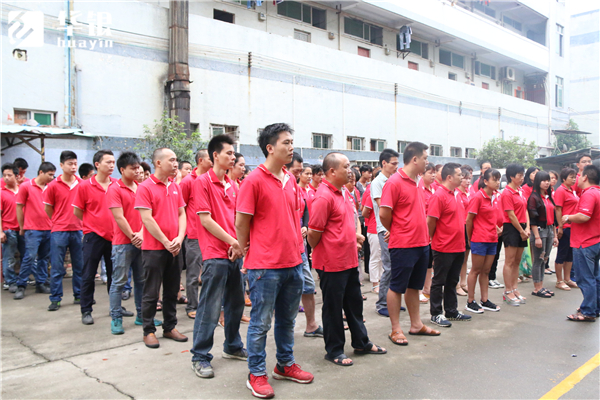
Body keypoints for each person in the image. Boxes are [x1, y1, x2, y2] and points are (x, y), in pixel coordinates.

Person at [236, 123, 313, 399]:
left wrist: (299, 253)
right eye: (286, 142)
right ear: (270, 148)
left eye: (292, 142)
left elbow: (294, 217)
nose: (291, 147)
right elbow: (242, 221)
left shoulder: (291, 180)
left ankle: (285, 364)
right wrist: (244, 250)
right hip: (264, 266)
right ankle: (256, 373)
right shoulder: (254, 180)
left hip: (293, 262)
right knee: (260, 323)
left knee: (287, 320)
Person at [308, 152, 386, 367]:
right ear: (332, 171)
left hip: (350, 259)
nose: (350, 170)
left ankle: (361, 342)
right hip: (332, 263)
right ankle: (334, 350)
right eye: (346, 166)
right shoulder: (323, 196)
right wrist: (327, 249)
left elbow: (345, 223)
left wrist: (354, 236)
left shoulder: (343, 192)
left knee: (354, 305)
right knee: (333, 309)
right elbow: (314, 234)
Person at [191, 135, 247, 379]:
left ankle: (232, 346)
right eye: (228, 153)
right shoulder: (202, 183)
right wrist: (232, 241)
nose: (233, 157)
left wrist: (239, 244)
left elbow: (238, 220)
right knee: (210, 307)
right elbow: (205, 220)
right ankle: (200, 356)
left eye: (234, 154)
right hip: (215, 254)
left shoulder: (233, 185)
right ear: (215, 155)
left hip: (235, 253)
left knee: (235, 303)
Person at [380, 142, 441, 345]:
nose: (427, 162)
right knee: (397, 286)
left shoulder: (418, 181)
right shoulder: (394, 182)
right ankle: (395, 329)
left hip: (422, 243)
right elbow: (384, 213)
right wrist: (397, 230)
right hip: (403, 244)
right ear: (414, 159)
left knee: (414, 287)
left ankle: (416, 324)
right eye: (425, 158)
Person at [135, 148, 188, 348]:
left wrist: (179, 238)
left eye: (176, 160)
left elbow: (182, 214)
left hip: (175, 247)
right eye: (172, 160)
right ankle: (148, 330)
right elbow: (147, 219)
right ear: (158, 163)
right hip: (154, 249)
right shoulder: (145, 187)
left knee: (172, 289)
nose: (176, 164)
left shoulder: (175, 187)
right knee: (151, 290)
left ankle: (170, 326)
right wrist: (166, 242)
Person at [107, 151, 157, 335]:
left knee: (141, 281)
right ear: (122, 169)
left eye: (138, 168)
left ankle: (142, 316)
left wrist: (142, 234)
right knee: (119, 281)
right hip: (122, 242)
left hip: (142, 241)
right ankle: (116, 318)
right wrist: (133, 236)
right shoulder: (114, 189)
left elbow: (148, 215)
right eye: (133, 168)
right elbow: (119, 217)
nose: (137, 171)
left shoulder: (141, 187)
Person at [73, 150, 117, 324]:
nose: (112, 166)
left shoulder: (116, 184)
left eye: (113, 162)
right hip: (93, 236)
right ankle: (86, 310)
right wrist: (92, 223)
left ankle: (115, 308)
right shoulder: (85, 185)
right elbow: (77, 211)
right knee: (88, 274)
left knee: (115, 275)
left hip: (114, 236)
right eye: (108, 162)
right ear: (97, 164)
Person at [427, 163, 472, 327]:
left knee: (453, 281)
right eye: (459, 175)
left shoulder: (457, 195)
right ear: (449, 177)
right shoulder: (439, 196)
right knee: (439, 281)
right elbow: (431, 221)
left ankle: (451, 311)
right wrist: (434, 239)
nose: (462, 177)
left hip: (459, 246)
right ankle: (436, 313)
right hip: (443, 246)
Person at [285, 152, 322, 338]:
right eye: (296, 171)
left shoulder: (298, 190)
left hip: (300, 246)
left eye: (301, 171)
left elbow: (305, 210)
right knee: (287, 290)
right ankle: (285, 333)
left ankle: (311, 325)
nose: (299, 175)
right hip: (285, 249)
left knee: (308, 285)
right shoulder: (281, 188)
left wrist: (305, 226)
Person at [44, 151, 84, 311]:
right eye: (70, 164)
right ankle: (55, 298)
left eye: (75, 163)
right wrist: (57, 220)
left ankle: (79, 295)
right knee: (57, 266)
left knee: (79, 266)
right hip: (59, 231)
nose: (73, 167)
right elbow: (48, 208)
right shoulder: (53, 185)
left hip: (78, 230)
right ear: (61, 165)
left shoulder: (81, 184)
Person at [14, 162, 56, 300]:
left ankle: (41, 283)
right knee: (29, 257)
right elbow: (19, 207)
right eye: (49, 174)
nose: (52, 177)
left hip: (49, 228)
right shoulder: (26, 186)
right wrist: (22, 227)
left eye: (53, 174)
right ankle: (21, 285)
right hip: (33, 229)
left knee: (44, 258)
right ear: (41, 173)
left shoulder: (51, 187)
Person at [563, 165, 600, 321]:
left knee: (585, 278)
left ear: (585, 177)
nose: (577, 178)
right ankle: (594, 306)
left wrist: (568, 217)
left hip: (585, 242)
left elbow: (584, 216)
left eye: (579, 175)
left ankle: (588, 311)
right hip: (594, 240)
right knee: (594, 277)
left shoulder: (589, 194)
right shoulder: (597, 192)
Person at [180, 149, 212, 319]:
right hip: (194, 235)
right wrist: (185, 230)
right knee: (193, 274)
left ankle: (206, 305)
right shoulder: (187, 181)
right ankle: (192, 306)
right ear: (200, 160)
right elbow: (180, 208)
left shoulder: (211, 180)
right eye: (209, 158)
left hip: (211, 235)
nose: (213, 160)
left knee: (209, 273)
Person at [465, 168, 502, 313]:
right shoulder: (478, 197)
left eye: (499, 179)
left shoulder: (496, 196)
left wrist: (497, 230)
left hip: (492, 239)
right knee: (475, 270)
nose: (498, 182)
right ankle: (470, 301)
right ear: (485, 181)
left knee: (486, 271)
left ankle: (485, 300)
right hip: (479, 239)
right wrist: (470, 238)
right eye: (495, 179)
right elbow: (469, 220)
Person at [371, 149, 400, 318]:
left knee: (396, 267)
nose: (396, 167)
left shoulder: (394, 180)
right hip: (385, 229)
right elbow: (385, 207)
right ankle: (382, 303)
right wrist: (390, 228)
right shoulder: (378, 182)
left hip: (395, 229)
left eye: (397, 163)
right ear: (384, 163)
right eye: (393, 163)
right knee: (388, 267)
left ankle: (392, 302)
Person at [501, 163, 530, 306]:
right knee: (509, 261)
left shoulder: (520, 191)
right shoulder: (507, 193)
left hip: (523, 227)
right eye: (519, 175)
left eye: (522, 175)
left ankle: (514, 288)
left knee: (517, 260)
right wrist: (521, 231)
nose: (522, 178)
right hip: (512, 228)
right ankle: (507, 291)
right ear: (511, 177)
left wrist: (528, 228)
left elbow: (525, 210)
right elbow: (511, 215)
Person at [527, 171, 558, 299]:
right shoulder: (534, 197)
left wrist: (555, 235)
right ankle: (537, 288)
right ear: (538, 182)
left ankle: (541, 285)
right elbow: (533, 219)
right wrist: (537, 237)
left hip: (550, 230)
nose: (547, 183)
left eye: (548, 180)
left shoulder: (548, 196)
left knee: (544, 259)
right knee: (538, 259)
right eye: (544, 180)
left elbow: (554, 218)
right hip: (539, 231)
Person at [554, 168, 579, 291]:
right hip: (566, 226)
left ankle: (567, 278)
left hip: (574, 226)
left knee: (570, 254)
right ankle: (559, 280)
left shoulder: (572, 190)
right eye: (571, 177)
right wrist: (560, 226)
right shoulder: (561, 190)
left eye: (574, 177)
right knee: (562, 253)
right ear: (564, 179)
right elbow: (558, 209)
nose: (574, 179)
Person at [1, 164, 24, 293]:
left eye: (9, 175)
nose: (6, 178)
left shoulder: (23, 190)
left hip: (23, 228)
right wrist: (0, 232)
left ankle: (23, 280)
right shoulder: (1, 193)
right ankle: (10, 282)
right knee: (9, 257)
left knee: (27, 256)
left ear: (17, 176)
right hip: (8, 229)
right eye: (4, 175)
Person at [418, 163, 436, 303]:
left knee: (430, 263)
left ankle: (427, 288)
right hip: (421, 231)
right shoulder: (419, 190)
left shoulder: (434, 190)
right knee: (420, 263)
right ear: (422, 175)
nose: (433, 175)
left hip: (433, 232)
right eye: (430, 173)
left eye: (434, 173)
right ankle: (418, 290)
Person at [362, 181, 382, 293]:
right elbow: (365, 212)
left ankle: (382, 281)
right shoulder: (372, 194)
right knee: (375, 256)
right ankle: (375, 284)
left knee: (384, 258)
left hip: (385, 229)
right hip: (374, 229)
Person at [456, 167, 471, 297]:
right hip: (459, 226)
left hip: (468, 227)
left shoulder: (468, 193)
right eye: (465, 178)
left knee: (465, 257)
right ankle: (456, 284)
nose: (467, 181)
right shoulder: (456, 193)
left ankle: (463, 282)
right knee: (458, 258)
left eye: (469, 179)